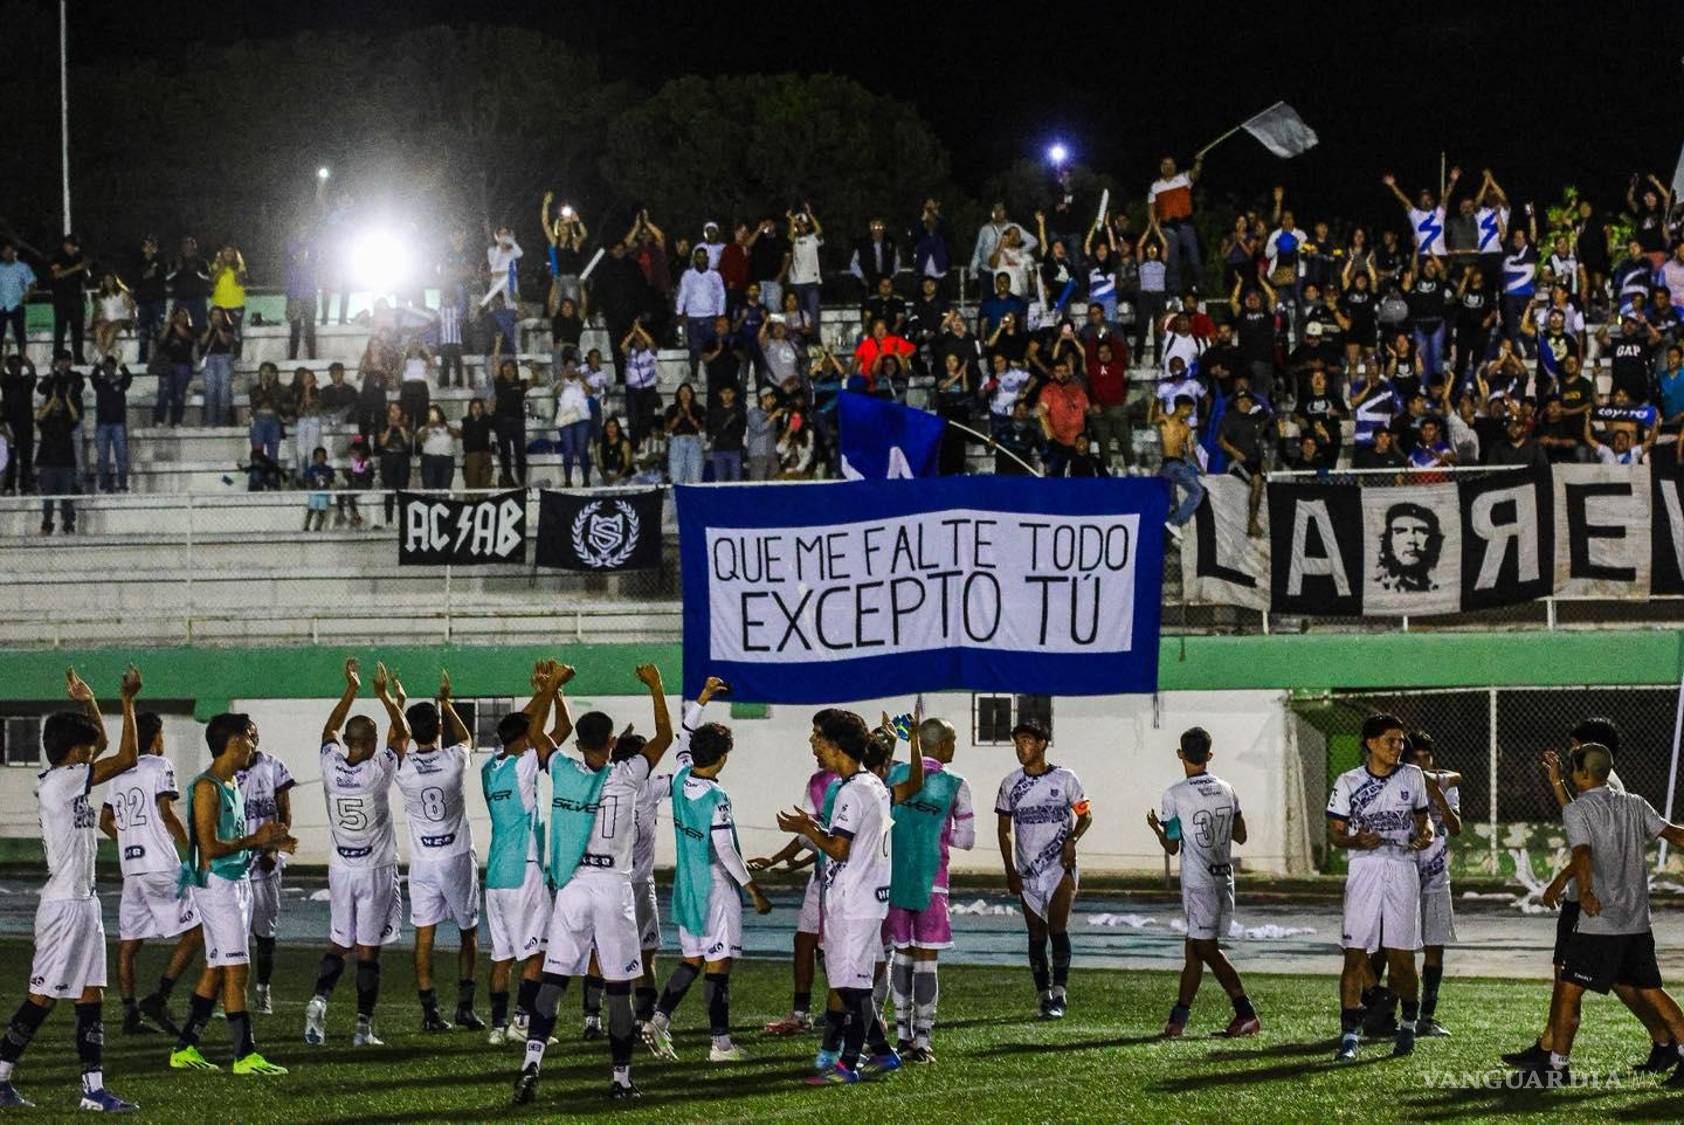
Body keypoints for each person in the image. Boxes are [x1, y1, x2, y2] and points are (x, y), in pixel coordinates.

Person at [513, 662, 674, 1105]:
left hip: (572, 887)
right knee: (619, 989)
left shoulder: (564, 770)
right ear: (614, 742)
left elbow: (532, 732)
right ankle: (621, 1079)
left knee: (554, 978)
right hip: (613, 888)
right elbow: (664, 738)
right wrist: (656, 687)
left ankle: (531, 1062)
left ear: (580, 743)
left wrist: (552, 688)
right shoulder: (627, 777)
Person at [0, 666, 143, 1111]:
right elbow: (126, 758)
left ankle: (93, 1090)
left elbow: (99, 742)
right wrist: (127, 701)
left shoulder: (71, 774)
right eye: (84, 748)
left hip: (85, 903)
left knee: (90, 995)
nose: (91, 752)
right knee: (41, 998)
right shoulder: (61, 782)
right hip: (63, 907)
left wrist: (89, 700)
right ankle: (0, 1075)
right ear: (71, 751)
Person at [1528, 741, 1684, 1087]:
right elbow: (1675, 835)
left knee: (1568, 991)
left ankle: (1556, 1069)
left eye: (1572, 769)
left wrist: (1583, 892)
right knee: (1651, 990)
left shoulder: (1579, 810)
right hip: (1637, 920)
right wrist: (1557, 782)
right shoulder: (1634, 803)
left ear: (1582, 774)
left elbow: (1583, 853)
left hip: (1602, 922)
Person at [167, 710, 295, 1078]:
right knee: (237, 970)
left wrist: (267, 841)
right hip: (219, 887)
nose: (254, 744)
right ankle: (245, 1055)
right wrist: (254, 840)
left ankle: (186, 1046)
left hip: (236, 880)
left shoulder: (232, 783)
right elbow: (207, 847)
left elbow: (234, 842)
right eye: (250, 737)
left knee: (217, 965)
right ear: (235, 742)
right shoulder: (207, 788)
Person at [775, 709, 897, 1085]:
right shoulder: (871, 784)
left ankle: (847, 1066)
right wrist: (811, 827)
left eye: (818, 738)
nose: (814, 745)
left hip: (854, 900)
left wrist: (807, 828)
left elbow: (840, 849)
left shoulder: (853, 791)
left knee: (851, 986)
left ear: (836, 744)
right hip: (862, 897)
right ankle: (882, 1052)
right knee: (848, 983)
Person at [643, 717, 773, 1062]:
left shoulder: (683, 775)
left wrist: (701, 698)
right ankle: (721, 1045)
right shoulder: (717, 795)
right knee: (718, 964)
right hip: (715, 888)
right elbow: (726, 850)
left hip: (688, 885)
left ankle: (658, 1019)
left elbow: (683, 737)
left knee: (693, 958)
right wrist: (753, 890)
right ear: (723, 758)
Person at [304, 657, 405, 1048]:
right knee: (367, 952)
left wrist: (351, 688)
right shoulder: (377, 771)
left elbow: (329, 728)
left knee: (338, 944)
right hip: (374, 869)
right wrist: (386, 697)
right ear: (372, 742)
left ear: (348, 741)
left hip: (341, 868)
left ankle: (319, 1001)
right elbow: (404, 734)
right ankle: (363, 1028)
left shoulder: (330, 765)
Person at [1326, 713, 1433, 1062]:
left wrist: (1426, 832)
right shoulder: (1348, 781)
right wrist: (1356, 840)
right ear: (1371, 743)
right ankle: (1349, 1034)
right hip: (1365, 872)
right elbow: (1335, 834)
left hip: (1403, 870)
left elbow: (1422, 819)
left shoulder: (1412, 776)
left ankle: (1408, 1025)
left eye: (1401, 741)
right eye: (1391, 740)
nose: (1398, 747)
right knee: (1355, 953)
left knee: (1402, 958)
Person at [1147, 726, 1260, 1039]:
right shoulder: (1227, 789)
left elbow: (1172, 845)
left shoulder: (1174, 795)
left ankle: (1246, 1012)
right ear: (1209, 755)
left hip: (1198, 882)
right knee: (1194, 950)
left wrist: (1158, 828)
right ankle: (1177, 1021)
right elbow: (1241, 835)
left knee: (1206, 949)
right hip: (1224, 877)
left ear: (1181, 754)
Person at [97, 708, 202, 1036]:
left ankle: (129, 1014)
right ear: (156, 737)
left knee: (129, 943)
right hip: (160, 864)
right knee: (197, 930)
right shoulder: (159, 766)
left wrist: (128, 838)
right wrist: (193, 851)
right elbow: (166, 812)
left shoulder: (117, 771)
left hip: (132, 868)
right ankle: (160, 996)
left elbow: (105, 821)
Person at [481, 662, 568, 1047]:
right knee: (538, 953)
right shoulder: (523, 765)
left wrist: (549, 691)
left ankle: (498, 1027)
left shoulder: (489, 768)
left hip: (496, 875)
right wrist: (553, 688)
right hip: (525, 871)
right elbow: (559, 732)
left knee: (502, 957)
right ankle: (522, 1021)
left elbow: (525, 725)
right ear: (525, 740)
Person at [391, 669, 483, 1033]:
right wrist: (446, 702)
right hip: (457, 856)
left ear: (411, 734)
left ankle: (429, 1012)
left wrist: (397, 704)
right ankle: (464, 1007)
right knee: (468, 931)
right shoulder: (453, 761)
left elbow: (394, 744)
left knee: (424, 935)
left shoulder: (403, 766)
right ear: (439, 730)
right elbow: (466, 738)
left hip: (425, 863)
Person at [883, 715, 974, 1064]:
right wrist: (936, 829)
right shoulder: (956, 784)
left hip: (896, 880)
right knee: (926, 962)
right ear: (939, 744)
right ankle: (923, 1039)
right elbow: (966, 840)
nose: (954, 745)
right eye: (951, 739)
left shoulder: (893, 776)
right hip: (932, 883)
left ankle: (901, 1033)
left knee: (900, 956)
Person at [753, 714, 843, 1036]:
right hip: (822, 877)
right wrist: (779, 859)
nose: (811, 742)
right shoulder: (818, 782)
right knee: (804, 942)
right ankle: (800, 1014)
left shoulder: (862, 781)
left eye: (817, 735)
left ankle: (865, 1012)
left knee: (847, 949)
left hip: (850, 883)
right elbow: (811, 833)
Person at [995, 718, 1090, 1021]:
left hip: (1060, 865)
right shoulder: (1011, 784)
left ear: (1041, 744)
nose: (1020, 748)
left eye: (1026, 741)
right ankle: (1043, 994)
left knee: (1057, 927)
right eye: (1017, 742)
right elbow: (1004, 829)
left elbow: (1086, 815)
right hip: (1028, 869)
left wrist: (1072, 839)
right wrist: (1010, 868)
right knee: (1036, 933)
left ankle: (1060, 992)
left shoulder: (1065, 778)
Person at [235, 712, 297, 1015]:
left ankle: (263, 991)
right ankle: (233, 996)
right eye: (247, 733)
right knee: (234, 934)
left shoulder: (273, 766)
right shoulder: (227, 771)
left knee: (264, 933)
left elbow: (284, 813)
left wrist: (274, 849)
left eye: (254, 732)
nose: (253, 737)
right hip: (235, 865)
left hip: (265, 864)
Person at [1400, 731, 1460, 1038]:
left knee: (1435, 949)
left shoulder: (1446, 786)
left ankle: (1427, 1015)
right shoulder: (1400, 785)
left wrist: (1436, 793)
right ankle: (1397, 1013)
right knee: (1401, 949)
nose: (1424, 764)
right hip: (1405, 876)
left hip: (1437, 879)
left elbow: (1455, 827)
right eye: (1416, 759)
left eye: (1428, 758)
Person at [1149, 154, 1204, 294]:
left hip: (1186, 224)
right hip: (1167, 228)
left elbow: (1195, 174)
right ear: (1162, 168)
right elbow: (1151, 212)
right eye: (1166, 164)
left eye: (1171, 164)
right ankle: (1174, 293)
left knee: (1195, 259)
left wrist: (1198, 161)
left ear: (1175, 166)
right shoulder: (1155, 186)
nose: (1169, 167)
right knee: (1172, 263)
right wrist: (1156, 231)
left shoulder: (1183, 178)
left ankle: (1200, 289)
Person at [34, 378, 79, 536]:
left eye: (59, 403)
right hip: (48, 465)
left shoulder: (67, 420)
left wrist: (67, 399)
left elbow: (75, 417)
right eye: (55, 403)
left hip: (65, 465)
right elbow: (39, 417)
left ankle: (68, 525)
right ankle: (47, 525)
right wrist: (52, 399)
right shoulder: (46, 421)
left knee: (66, 498)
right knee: (48, 499)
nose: (57, 405)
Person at [1157, 394, 1202, 537]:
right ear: (1181, 407)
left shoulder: (1186, 427)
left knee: (1173, 503)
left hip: (1175, 465)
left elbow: (1190, 450)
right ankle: (1175, 522)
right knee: (1197, 492)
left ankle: (1171, 526)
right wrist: (1156, 400)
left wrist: (1200, 467)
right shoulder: (1165, 420)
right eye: (1189, 410)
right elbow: (1152, 420)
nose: (1190, 413)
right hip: (1171, 463)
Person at [90, 357, 133, 493]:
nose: (108, 370)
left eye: (110, 367)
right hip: (102, 425)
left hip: (118, 424)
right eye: (105, 368)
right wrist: (98, 363)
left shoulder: (121, 383)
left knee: (121, 456)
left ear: (115, 368)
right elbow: (92, 377)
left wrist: (121, 363)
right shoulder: (100, 383)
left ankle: (122, 485)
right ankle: (103, 486)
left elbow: (129, 377)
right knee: (102, 457)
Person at [49, 234, 90, 364]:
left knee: (78, 329)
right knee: (60, 329)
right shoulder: (57, 257)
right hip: (61, 298)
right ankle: (57, 357)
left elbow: (86, 277)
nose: (74, 248)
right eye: (72, 245)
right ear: (66, 245)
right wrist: (75, 268)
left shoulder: (79, 257)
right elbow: (57, 275)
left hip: (76, 298)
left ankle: (79, 357)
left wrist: (86, 269)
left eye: (76, 246)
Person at [665, 382, 704, 484]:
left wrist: (690, 416)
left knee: (695, 477)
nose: (685, 395)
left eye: (688, 392)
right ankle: (677, 500)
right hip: (677, 441)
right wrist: (678, 417)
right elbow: (668, 429)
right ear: (678, 394)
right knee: (676, 477)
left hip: (694, 441)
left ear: (692, 394)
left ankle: (694, 499)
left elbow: (702, 428)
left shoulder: (698, 408)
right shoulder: (672, 408)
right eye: (682, 392)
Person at [90, 274, 137, 359]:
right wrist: (94, 323)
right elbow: (97, 312)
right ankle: (104, 354)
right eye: (106, 280)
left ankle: (103, 356)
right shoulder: (101, 296)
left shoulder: (122, 294)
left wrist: (133, 322)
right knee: (98, 330)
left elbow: (130, 309)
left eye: (110, 280)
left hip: (122, 319)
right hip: (107, 319)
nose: (109, 282)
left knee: (112, 328)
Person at [707, 383, 746, 482]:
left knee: (736, 482)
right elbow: (712, 430)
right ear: (720, 394)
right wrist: (726, 423)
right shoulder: (715, 411)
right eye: (724, 392)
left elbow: (742, 430)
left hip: (735, 449)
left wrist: (731, 427)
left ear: (734, 394)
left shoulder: (739, 410)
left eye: (730, 392)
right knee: (720, 482)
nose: (727, 395)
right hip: (719, 450)